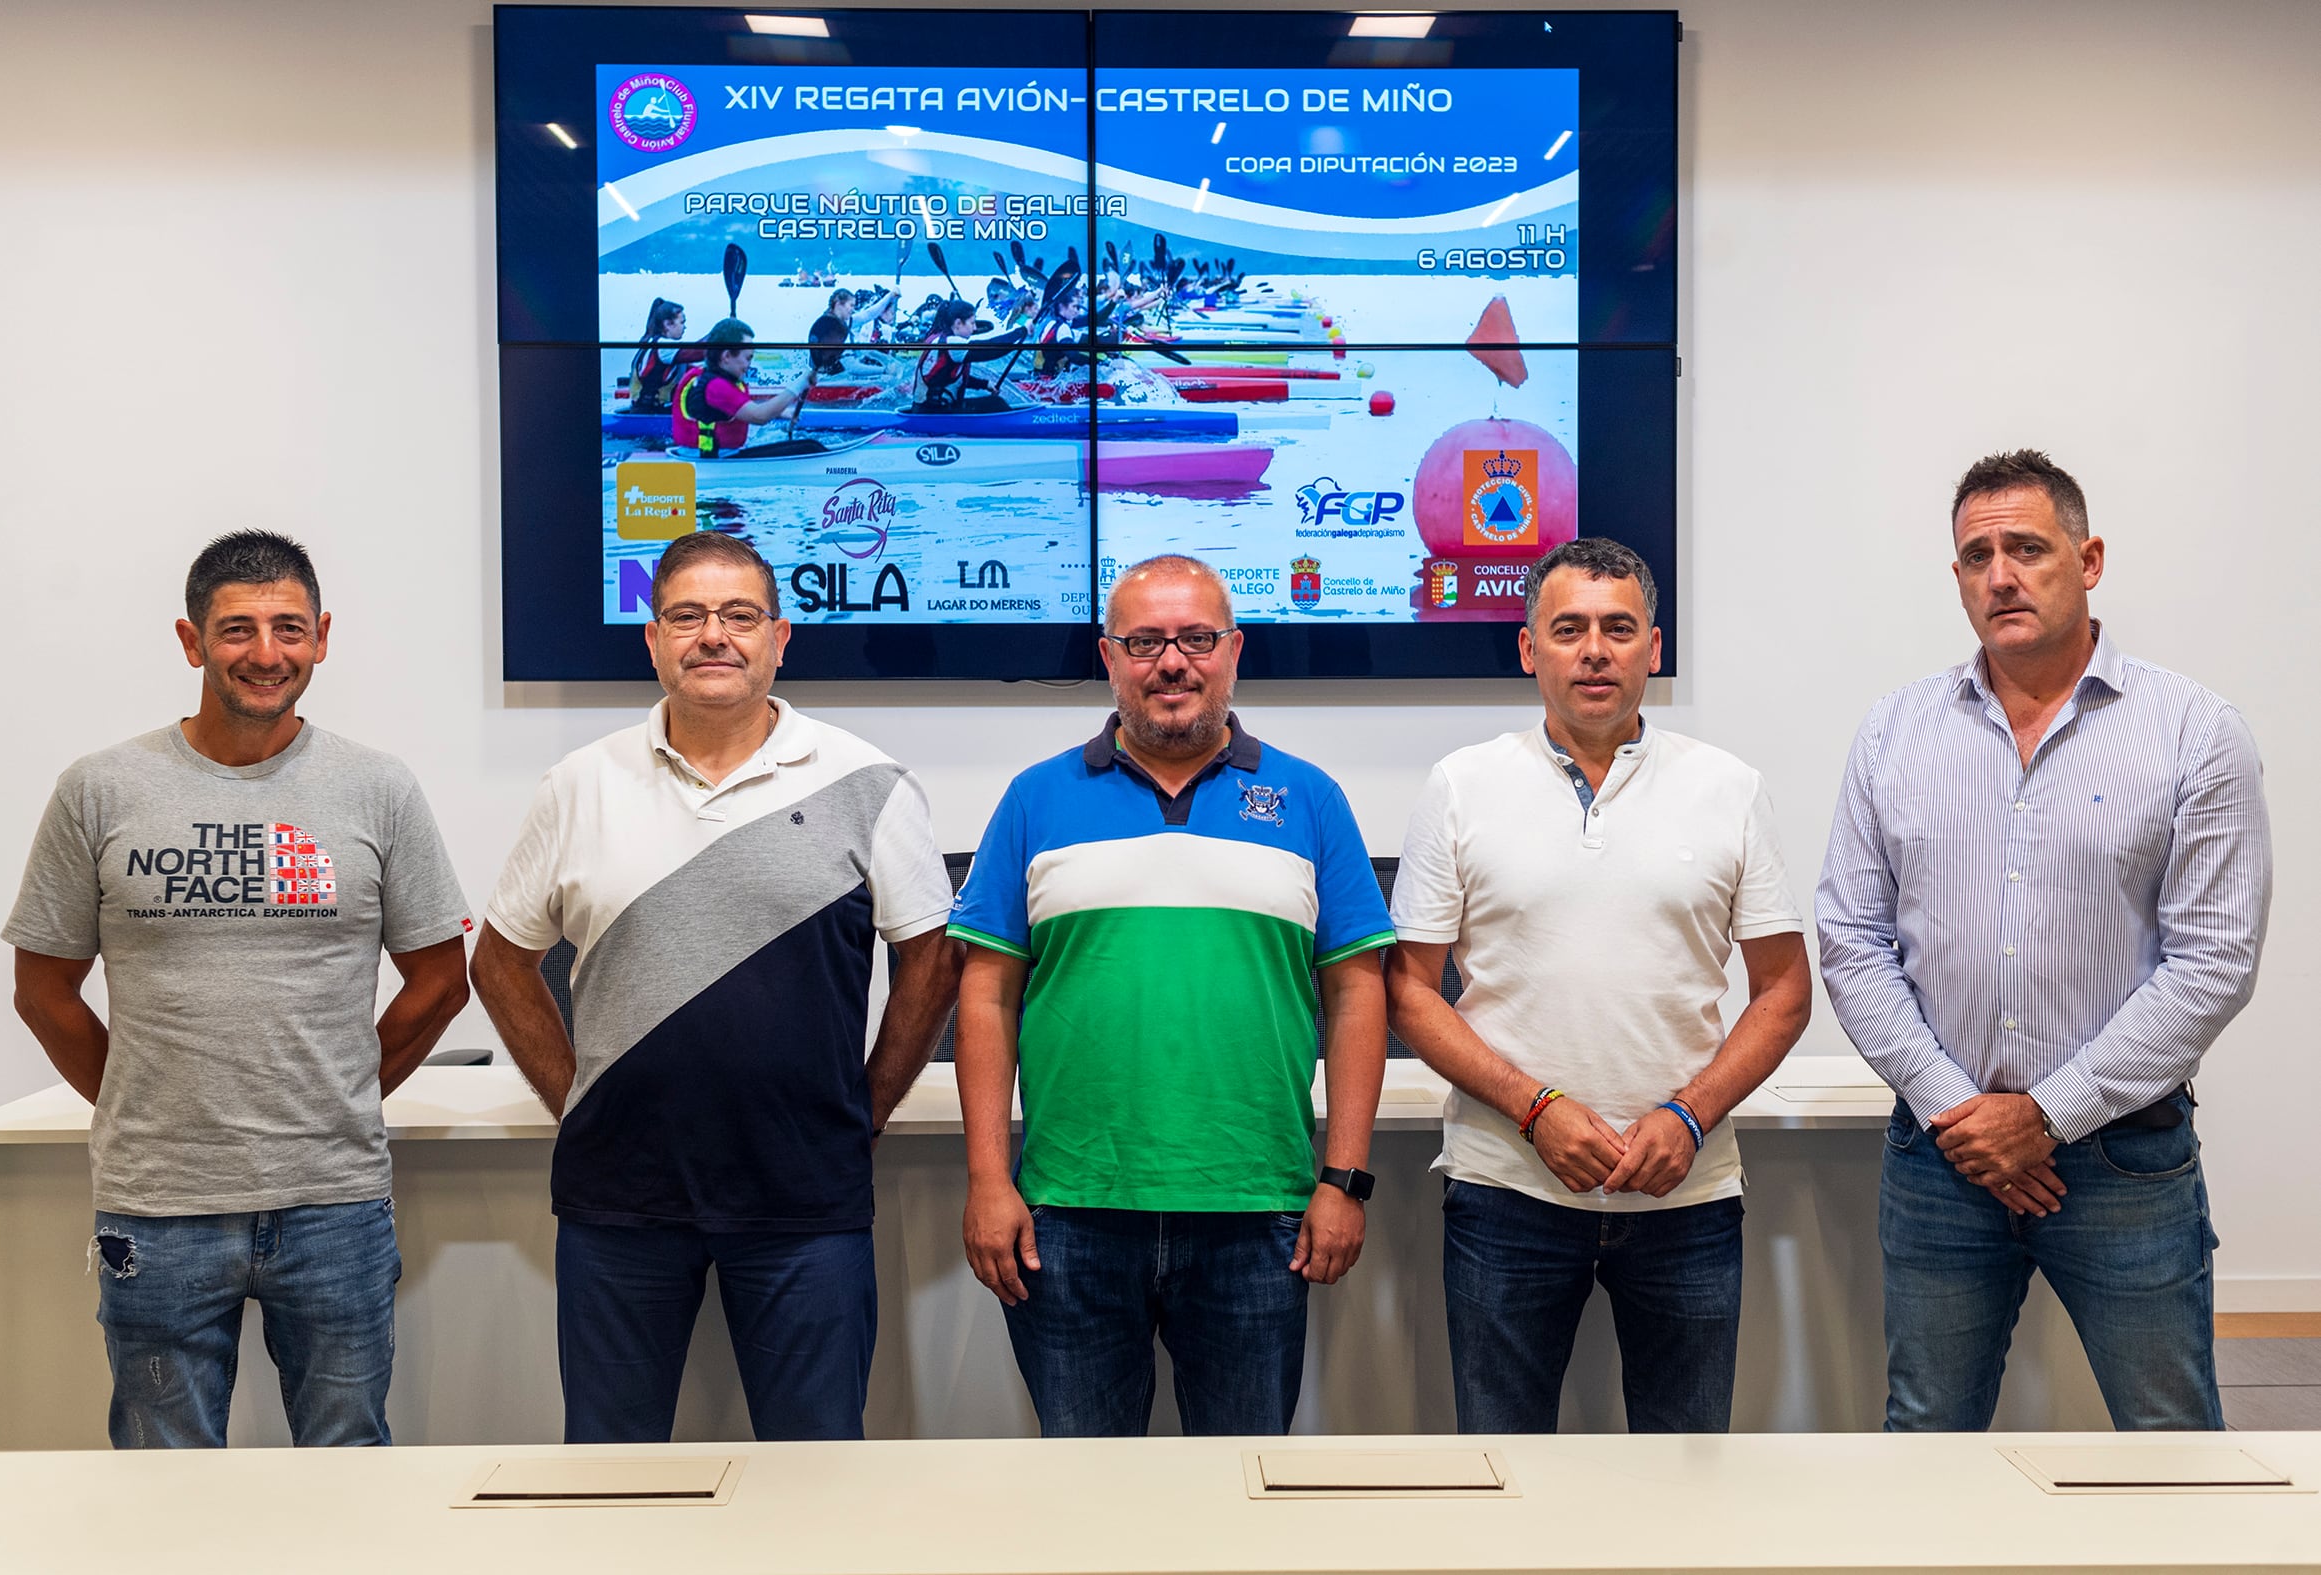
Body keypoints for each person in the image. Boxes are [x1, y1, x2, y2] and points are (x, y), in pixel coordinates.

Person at [469, 531, 961, 1444]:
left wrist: (868, 1109)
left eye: (739, 616)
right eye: (687, 616)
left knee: (817, 1479)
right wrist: (575, 1098)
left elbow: (931, 958)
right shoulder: (580, 784)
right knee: (610, 1479)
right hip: (618, 1200)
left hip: (806, 1200)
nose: (714, 636)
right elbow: (499, 960)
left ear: (780, 637)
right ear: (651, 639)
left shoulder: (868, 782)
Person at [1817, 448, 2271, 1432]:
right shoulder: (1894, 733)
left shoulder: (2194, 732)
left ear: (2088, 557)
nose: (2001, 576)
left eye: (2026, 547)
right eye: (1977, 555)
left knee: (2169, 1439)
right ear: (1955, 578)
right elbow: (1851, 939)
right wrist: (1958, 1112)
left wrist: (2046, 1115)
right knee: (1924, 1433)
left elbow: (2214, 962)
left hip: (2122, 1163)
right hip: (1941, 1158)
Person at [4, 531, 472, 1449]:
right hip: (157, 1204)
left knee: (347, 1461)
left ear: (323, 636)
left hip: (333, 1201)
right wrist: (144, 1099)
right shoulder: (99, 790)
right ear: (191, 641)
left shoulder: (378, 789)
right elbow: (43, 988)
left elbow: (440, 981)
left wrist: (339, 1090)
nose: (267, 653)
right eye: (237, 629)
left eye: (289, 627)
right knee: (162, 1475)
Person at [950, 554, 1393, 1437]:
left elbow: (1356, 996)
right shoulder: (1036, 799)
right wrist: (988, 1180)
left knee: (1240, 1500)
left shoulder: (1310, 799)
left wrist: (1343, 1181)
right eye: (1145, 641)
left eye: (1196, 638)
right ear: (1109, 656)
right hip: (1067, 1218)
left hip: (1260, 1214)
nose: (1172, 662)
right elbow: (987, 995)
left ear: (1235, 651)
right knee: (1087, 1496)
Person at [1387, 537, 1812, 1434]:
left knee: (1686, 1472)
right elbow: (1410, 990)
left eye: (1618, 628)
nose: (1594, 650)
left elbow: (1782, 991)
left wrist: (1688, 1117)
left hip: (1685, 1193)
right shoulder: (1461, 786)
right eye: (1569, 627)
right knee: (1504, 1473)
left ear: (1653, 649)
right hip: (1508, 1188)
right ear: (1528, 647)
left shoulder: (1727, 787)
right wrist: (1536, 1108)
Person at [668, 319, 810, 457]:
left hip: (712, 456)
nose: (749, 365)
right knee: (807, 448)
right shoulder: (716, 387)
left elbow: (741, 408)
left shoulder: (710, 378)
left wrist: (779, 412)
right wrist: (800, 383)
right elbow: (759, 416)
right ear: (727, 356)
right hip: (713, 462)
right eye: (748, 358)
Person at [627, 297, 694, 413]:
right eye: (682, 322)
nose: (685, 327)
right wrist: (721, 334)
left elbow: (692, 367)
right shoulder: (663, 347)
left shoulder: (652, 343)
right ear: (668, 324)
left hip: (650, 411)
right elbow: (697, 353)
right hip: (650, 414)